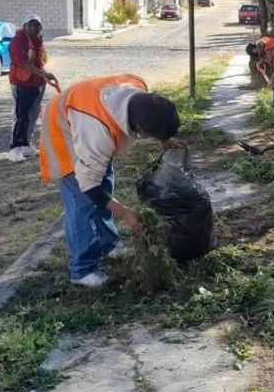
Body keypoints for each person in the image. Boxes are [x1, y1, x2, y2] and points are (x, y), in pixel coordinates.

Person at [38, 74, 183, 288]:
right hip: (63, 130)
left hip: (85, 116)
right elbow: (89, 186)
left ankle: (108, 244)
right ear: (138, 128)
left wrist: (165, 137)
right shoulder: (97, 132)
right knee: (82, 204)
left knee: (105, 185)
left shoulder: (139, 91)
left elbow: (153, 116)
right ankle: (82, 270)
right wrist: (125, 212)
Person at [8, 14, 58, 162]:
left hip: (37, 83)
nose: (34, 28)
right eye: (31, 25)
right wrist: (45, 74)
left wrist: (43, 77)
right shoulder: (18, 41)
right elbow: (24, 63)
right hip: (22, 83)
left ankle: (26, 145)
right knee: (21, 116)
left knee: (33, 116)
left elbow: (40, 61)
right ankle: (15, 148)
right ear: (24, 26)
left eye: (37, 25)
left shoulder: (38, 41)